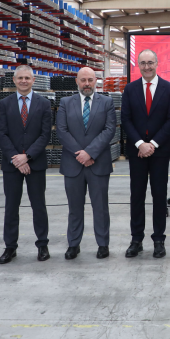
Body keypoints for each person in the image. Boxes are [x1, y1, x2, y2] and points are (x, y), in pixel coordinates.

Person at [120, 49, 170, 258]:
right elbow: (125, 119)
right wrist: (139, 144)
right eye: (143, 63)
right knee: (136, 196)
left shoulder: (169, 89)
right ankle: (136, 239)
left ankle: (159, 240)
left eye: (150, 62)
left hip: (160, 151)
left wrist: (152, 143)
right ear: (138, 65)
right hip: (137, 152)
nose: (147, 66)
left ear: (157, 63)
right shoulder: (130, 89)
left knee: (159, 196)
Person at [56, 67, 116, 260]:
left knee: (100, 207)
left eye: (90, 80)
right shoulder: (66, 103)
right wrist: (80, 154)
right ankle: (73, 244)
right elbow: (62, 131)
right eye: (83, 80)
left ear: (96, 81)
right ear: (77, 81)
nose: (87, 84)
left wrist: (90, 152)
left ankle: (103, 244)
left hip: (98, 163)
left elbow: (109, 130)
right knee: (75, 208)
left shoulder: (106, 102)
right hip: (73, 164)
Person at [0, 65, 52, 264]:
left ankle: (42, 244)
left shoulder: (44, 103)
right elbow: (1, 133)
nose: (24, 81)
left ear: (33, 80)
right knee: (11, 207)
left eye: (27, 78)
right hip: (12, 165)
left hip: (35, 164)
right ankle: (10, 247)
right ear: (14, 80)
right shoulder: (5, 104)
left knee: (39, 206)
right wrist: (15, 158)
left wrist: (27, 157)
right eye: (20, 78)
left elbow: (45, 135)